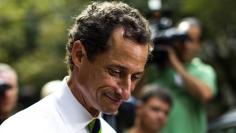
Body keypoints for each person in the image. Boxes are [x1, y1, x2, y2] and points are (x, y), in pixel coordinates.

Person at [0, 1, 151, 133]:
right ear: (79, 55)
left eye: (135, 77)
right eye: (116, 72)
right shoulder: (22, 129)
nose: (125, 94)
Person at [144, 17, 217, 133]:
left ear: (198, 44)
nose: (185, 45)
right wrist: (146, 60)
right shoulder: (158, 69)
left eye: (190, 40)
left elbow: (205, 95)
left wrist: (175, 65)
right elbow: (135, 95)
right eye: (181, 39)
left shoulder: (203, 70)